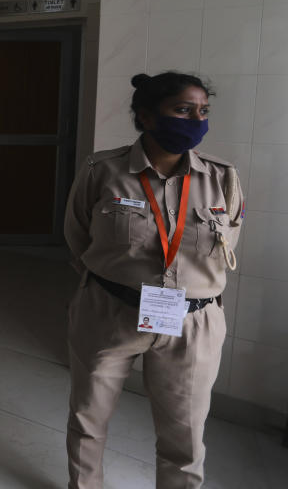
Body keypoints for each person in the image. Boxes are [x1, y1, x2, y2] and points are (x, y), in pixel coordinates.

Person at [64, 71, 244, 488]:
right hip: (108, 311)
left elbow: (224, 251)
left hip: (192, 324)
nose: (195, 120)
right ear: (145, 116)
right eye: (182, 110)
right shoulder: (101, 170)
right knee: (88, 419)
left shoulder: (223, 179)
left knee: (185, 439)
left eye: (203, 111)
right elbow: (76, 238)